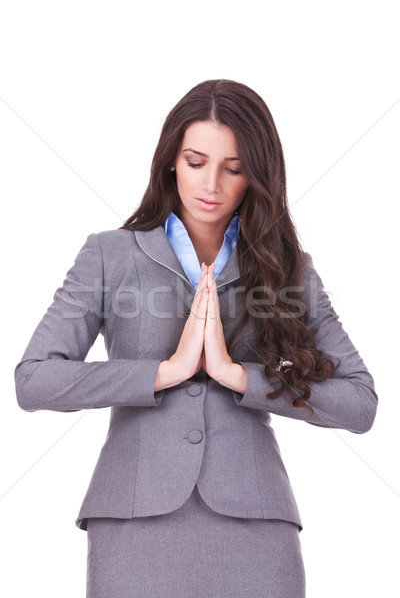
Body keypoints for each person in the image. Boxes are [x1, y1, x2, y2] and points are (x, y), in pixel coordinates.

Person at [14, 79, 378, 598]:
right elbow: (34, 380)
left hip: (256, 527)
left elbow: (360, 402)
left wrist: (237, 375)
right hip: (133, 521)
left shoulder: (287, 268)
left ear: (257, 176)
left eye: (233, 169)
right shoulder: (108, 255)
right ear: (170, 161)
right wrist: (166, 372)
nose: (211, 184)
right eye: (195, 161)